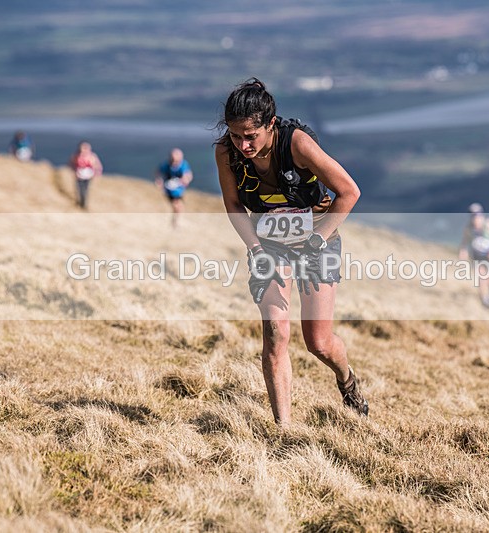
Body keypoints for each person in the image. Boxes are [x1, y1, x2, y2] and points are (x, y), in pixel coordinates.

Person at [214, 78, 368, 425]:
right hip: (269, 243)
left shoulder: (298, 143)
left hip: (318, 240)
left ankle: (347, 380)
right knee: (275, 332)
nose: (242, 144)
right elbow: (234, 205)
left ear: (270, 125)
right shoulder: (226, 151)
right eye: (236, 135)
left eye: (250, 136)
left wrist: (316, 241)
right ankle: (283, 428)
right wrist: (255, 249)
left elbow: (349, 192)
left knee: (318, 342)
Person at [459, 202, 489, 308]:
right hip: (477, 255)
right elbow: (465, 241)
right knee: (481, 277)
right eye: (473, 214)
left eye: (477, 214)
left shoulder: (488, 224)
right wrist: (463, 251)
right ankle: (484, 299)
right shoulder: (469, 228)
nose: (475, 217)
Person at [155, 148, 193, 227]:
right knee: (176, 205)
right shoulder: (166, 165)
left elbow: (188, 175)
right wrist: (159, 181)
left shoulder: (183, 165)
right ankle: (175, 222)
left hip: (179, 188)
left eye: (176, 161)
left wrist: (186, 180)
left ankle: (176, 221)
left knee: (179, 206)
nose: (174, 163)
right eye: (172, 160)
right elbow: (158, 172)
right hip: (169, 189)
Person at [69, 140, 103, 209]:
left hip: (88, 175)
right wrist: (74, 171)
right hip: (79, 175)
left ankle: (83, 204)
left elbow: (97, 165)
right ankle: (81, 202)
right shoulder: (76, 156)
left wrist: (97, 173)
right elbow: (72, 164)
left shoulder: (92, 156)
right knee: (79, 189)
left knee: (85, 189)